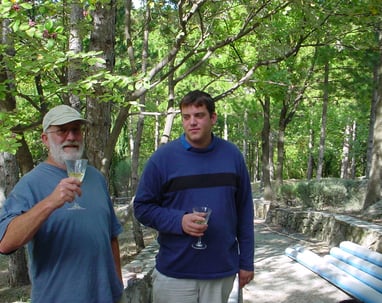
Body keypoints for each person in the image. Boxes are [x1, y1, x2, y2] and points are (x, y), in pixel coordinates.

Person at [133, 90, 255, 303]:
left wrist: (246, 262)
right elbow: (142, 207)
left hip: (220, 271)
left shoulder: (232, 156)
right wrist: (179, 221)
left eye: (199, 115)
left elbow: (244, 211)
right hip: (175, 273)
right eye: (186, 117)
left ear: (213, 118)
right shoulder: (163, 158)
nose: (192, 122)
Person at [0, 105, 126, 303]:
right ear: (45, 140)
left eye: (76, 129)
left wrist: (118, 288)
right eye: (62, 130)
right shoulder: (30, 184)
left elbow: (111, 237)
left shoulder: (95, 178)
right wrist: (51, 202)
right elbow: (6, 243)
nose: (71, 136)